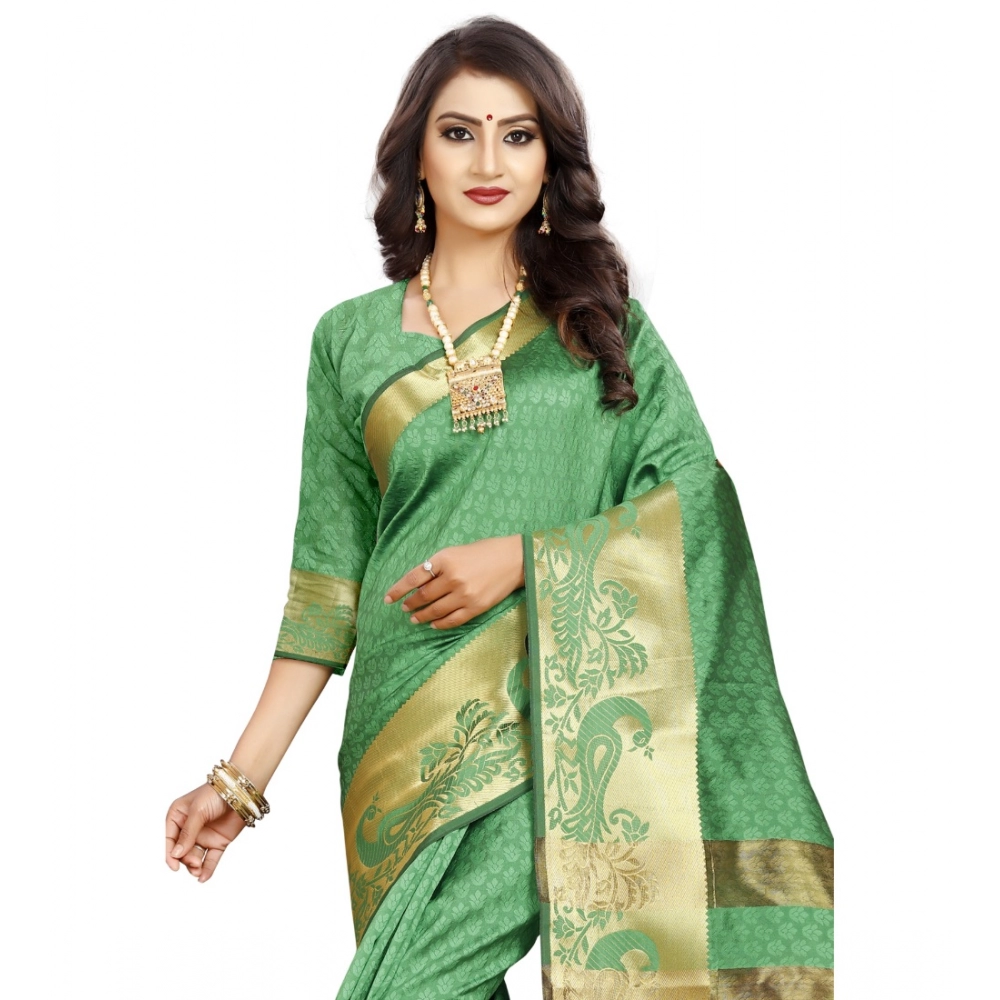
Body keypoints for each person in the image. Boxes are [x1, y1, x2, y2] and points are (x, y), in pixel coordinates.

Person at [164, 15, 833, 1000]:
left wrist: (526, 557)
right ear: (415, 157)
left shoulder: (602, 330)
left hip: (557, 716)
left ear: (549, 159)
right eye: (459, 132)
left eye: (517, 135)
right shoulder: (348, 342)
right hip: (396, 740)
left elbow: (694, 496)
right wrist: (240, 780)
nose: (488, 161)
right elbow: (327, 586)